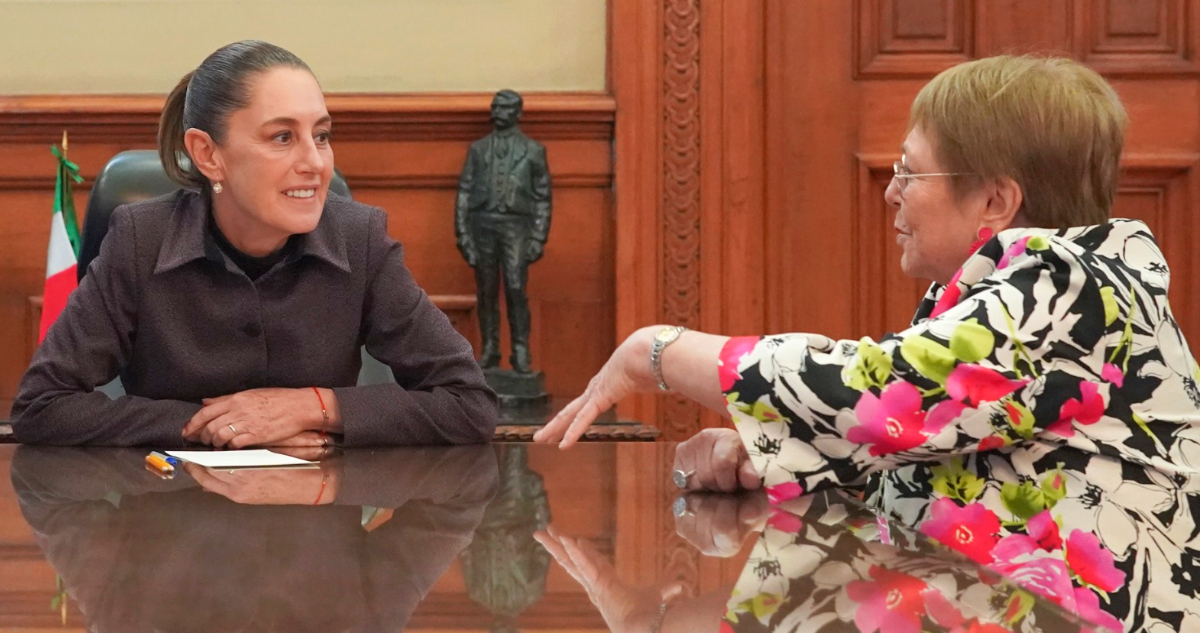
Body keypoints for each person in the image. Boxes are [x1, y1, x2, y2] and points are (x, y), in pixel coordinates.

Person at [536, 55, 1200, 630]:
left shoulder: (1074, 288)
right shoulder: (1005, 301)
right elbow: (911, 452)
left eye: (911, 173)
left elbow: (880, 392)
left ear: (996, 201)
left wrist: (658, 351)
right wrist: (758, 455)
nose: (890, 193)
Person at [11, 41, 498, 447]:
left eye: (322, 135)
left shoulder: (360, 239)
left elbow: (469, 402)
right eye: (283, 137)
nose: (315, 163)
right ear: (208, 154)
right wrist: (219, 429)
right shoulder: (142, 241)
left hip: (319, 545)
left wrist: (316, 407)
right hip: (171, 534)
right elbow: (44, 406)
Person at [455, 89, 552, 373]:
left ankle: (521, 350)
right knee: (486, 291)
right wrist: (462, 234)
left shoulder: (534, 151)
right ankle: (490, 349)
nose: (498, 112)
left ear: (518, 113)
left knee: (515, 287)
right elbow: (464, 192)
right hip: (482, 224)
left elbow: (543, 197)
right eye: (495, 107)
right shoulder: (478, 149)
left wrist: (537, 236)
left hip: (517, 227)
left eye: (505, 107)